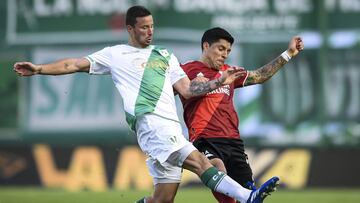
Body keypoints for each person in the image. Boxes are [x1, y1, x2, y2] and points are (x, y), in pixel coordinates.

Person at [13, 6, 279, 203]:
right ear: (130, 29)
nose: (150, 31)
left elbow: (188, 89)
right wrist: (38, 69)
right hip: (152, 124)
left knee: (161, 200)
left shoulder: (165, 55)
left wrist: (216, 82)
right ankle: (247, 197)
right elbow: (73, 64)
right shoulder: (115, 54)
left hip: (170, 127)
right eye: (143, 27)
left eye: (152, 26)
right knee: (201, 163)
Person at [180, 27, 304, 203]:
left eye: (228, 51)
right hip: (205, 138)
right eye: (220, 48)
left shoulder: (229, 71)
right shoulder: (186, 70)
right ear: (206, 46)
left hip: (233, 142)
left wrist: (289, 53)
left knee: (248, 194)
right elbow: (184, 91)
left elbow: (260, 75)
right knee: (217, 168)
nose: (225, 54)